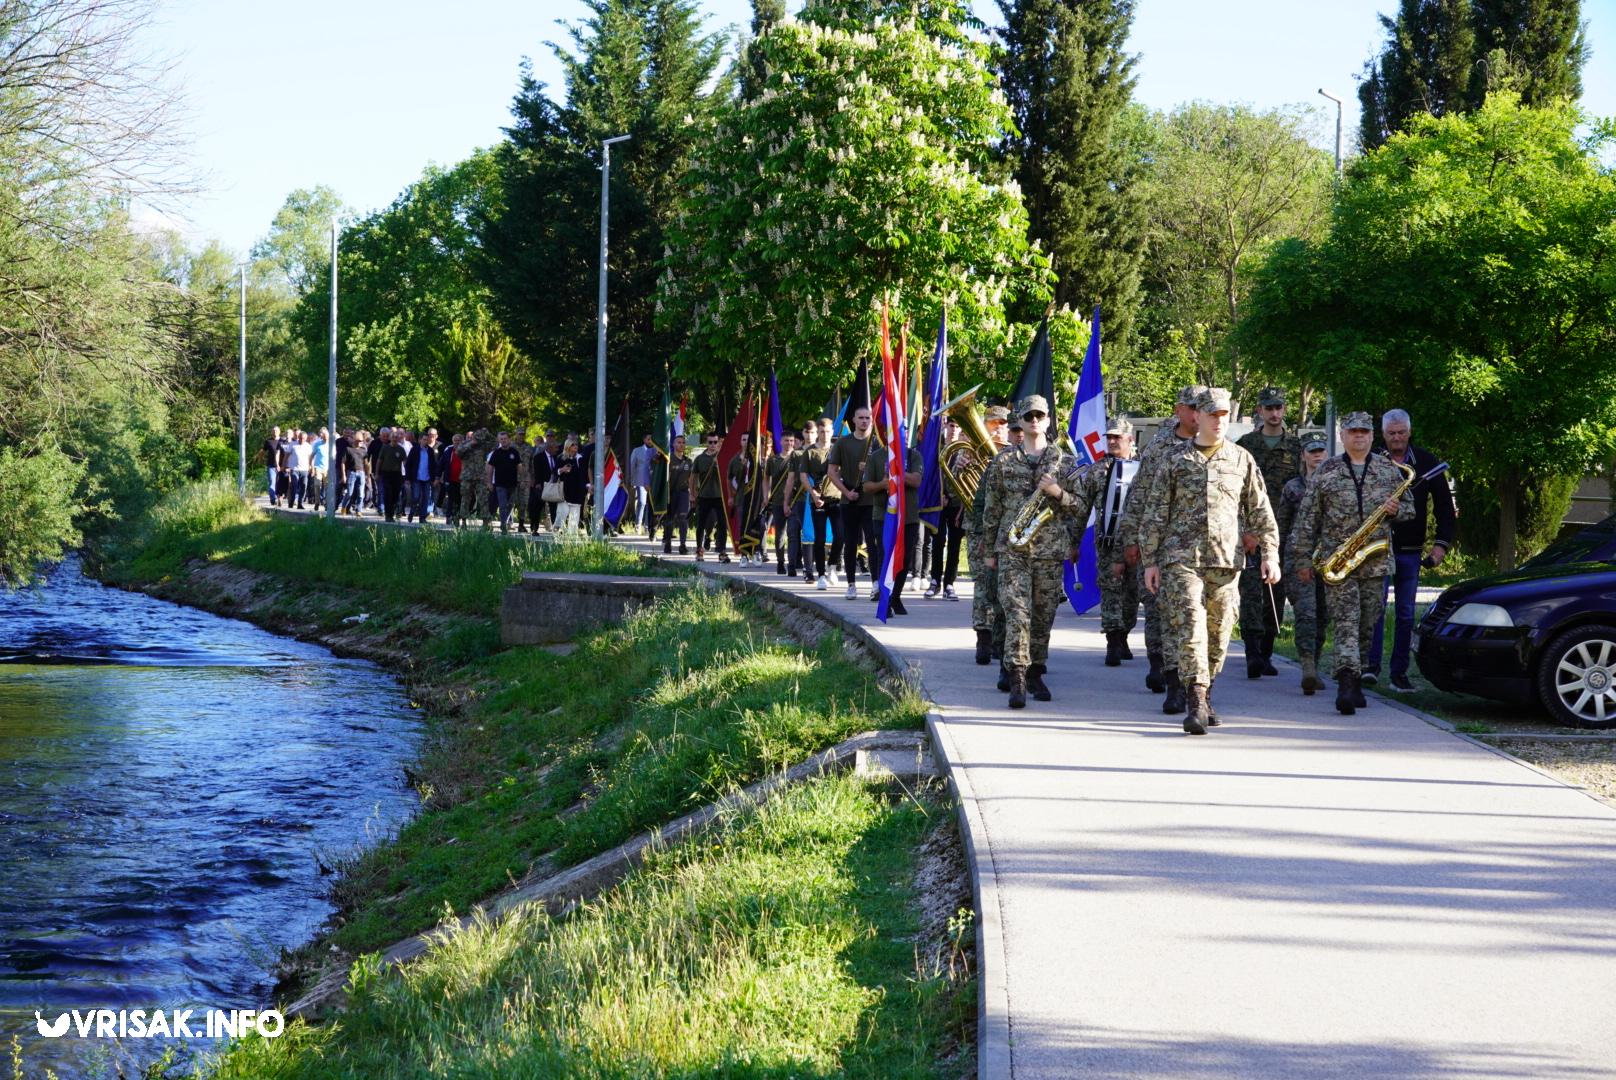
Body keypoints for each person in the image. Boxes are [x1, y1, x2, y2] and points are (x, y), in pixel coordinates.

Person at [1140, 388, 1281, 735]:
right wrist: (1150, 561)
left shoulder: (1240, 459)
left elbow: (1260, 510)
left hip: (1225, 560)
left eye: (1224, 415)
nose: (1219, 422)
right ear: (1197, 416)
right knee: (1190, 627)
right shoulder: (1174, 460)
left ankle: (1207, 691)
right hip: (1180, 559)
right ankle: (1196, 700)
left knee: (1218, 635)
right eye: (1213, 415)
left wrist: (1270, 554)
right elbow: (1155, 513)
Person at [1291, 411, 1415, 715]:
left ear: (1372, 436)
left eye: (1364, 431)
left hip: (1375, 561)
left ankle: (1356, 678)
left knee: (1367, 624)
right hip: (1339, 561)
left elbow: (1410, 510)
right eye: (1353, 431)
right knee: (1346, 622)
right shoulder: (1327, 471)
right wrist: (1302, 558)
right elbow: (1307, 519)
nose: (1359, 436)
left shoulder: (1389, 470)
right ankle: (1346, 683)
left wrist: (1396, 509)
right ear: (1343, 436)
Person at [981, 396, 1090, 708]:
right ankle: (1016, 674)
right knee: (1016, 611)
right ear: (1020, 419)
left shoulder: (1066, 462)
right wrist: (989, 549)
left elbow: (1081, 508)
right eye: (1028, 415)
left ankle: (1036, 670)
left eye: (1039, 415)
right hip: (1012, 548)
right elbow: (992, 509)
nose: (1033, 420)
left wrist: (1057, 492)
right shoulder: (1002, 462)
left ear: (1047, 420)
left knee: (1043, 615)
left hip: (1049, 550)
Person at [1115, 385, 1204, 710]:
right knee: (1160, 614)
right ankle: (1168, 676)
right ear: (1179, 409)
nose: (1198, 414)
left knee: (1196, 619)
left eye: (1202, 408)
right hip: (1163, 546)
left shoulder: (1216, 445)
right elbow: (1139, 494)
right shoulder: (1160, 446)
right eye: (1193, 407)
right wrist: (1131, 539)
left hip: (1203, 549)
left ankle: (1196, 686)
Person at [1366, 408, 1457, 691]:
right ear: (1383, 435)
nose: (1396, 438)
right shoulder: (1372, 461)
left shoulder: (1427, 462)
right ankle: (1370, 668)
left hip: (1410, 549)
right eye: (1391, 433)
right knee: (1374, 610)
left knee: (1405, 613)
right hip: (1376, 548)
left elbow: (1444, 506)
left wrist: (1441, 544)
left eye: (1401, 433)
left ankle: (1399, 673)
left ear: (1409, 432)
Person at [1234, 386, 1302, 679]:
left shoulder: (1297, 447)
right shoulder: (1245, 445)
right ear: (1259, 411)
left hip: (1284, 533)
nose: (1275, 413)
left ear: (1285, 410)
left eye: (1279, 407)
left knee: (1276, 593)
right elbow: (1235, 493)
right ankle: (1251, 653)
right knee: (1250, 593)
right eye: (1269, 408)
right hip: (1252, 534)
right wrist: (1244, 531)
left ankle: (1267, 652)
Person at [1074, 416, 1141, 666]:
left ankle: (1123, 634)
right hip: (1108, 542)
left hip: (1137, 544)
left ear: (1129, 439)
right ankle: (1112, 641)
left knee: (1132, 594)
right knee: (1111, 590)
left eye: (1117, 437)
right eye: (1109, 437)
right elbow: (1082, 508)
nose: (1112, 441)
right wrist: (1073, 542)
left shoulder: (1143, 468)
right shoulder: (1097, 470)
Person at [1277, 436, 1330, 693]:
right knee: (1306, 613)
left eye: (1321, 451)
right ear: (1304, 456)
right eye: (1313, 452)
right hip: (1299, 558)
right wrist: (1278, 558)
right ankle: (1307, 665)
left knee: (1323, 615)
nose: (1318, 456)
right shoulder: (1293, 488)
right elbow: (1282, 526)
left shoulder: (1334, 484)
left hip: (1329, 559)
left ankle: (1315, 665)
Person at [967, 404, 1012, 663]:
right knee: (984, 583)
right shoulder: (970, 455)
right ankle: (983, 639)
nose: (999, 429)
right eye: (993, 424)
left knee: (1005, 586)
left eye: (1003, 424)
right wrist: (962, 466)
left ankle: (1001, 639)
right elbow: (954, 493)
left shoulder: (1018, 455)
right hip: (978, 529)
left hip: (1009, 532)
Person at [862, 428, 923, 615]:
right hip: (883, 515)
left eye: (904, 434)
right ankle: (885, 599)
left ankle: (896, 596)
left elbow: (917, 480)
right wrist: (883, 483)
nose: (901, 438)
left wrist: (897, 474)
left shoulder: (913, 455)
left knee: (904, 559)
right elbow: (867, 486)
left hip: (909, 516)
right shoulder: (876, 457)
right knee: (885, 557)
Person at [828, 406, 881, 600]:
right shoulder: (843, 443)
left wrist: (870, 468)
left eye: (867, 418)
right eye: (861, 418)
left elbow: (887, 470)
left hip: (871, 501)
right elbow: (832, 472)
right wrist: (845, 492)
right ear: (854, 420)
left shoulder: (877, 443)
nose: (865, 421)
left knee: (873, 543)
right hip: (849, 499)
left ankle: (875, 583)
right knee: (849, 543)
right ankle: (851, 584)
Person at [925, 416, 967, 601]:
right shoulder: (936, 450)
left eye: (957, 426)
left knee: (955, 545)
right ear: (945, 427)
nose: (954, 429)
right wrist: (939, 495)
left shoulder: (965, 452)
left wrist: (954, 498)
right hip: (939, 503)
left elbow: (967, 482)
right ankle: (934, 580)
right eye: (951, 425)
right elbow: (932, 478)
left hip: (957, 504)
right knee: (938, 541)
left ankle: (949, 583)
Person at [790, 419, 834, 588]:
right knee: (808, 533)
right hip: (806, 498)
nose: (814, 435)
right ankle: (809, 571)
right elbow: (794, 478)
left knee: (830, 533)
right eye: (808, 432)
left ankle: (831, 567)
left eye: (816, 431)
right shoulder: (803, 454)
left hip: (831, 496)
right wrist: (787, 501)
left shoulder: (835, 450)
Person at [692, 431, 729, 562]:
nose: (713, 445)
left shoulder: (722, 457)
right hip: (704, 496)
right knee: (701, 524)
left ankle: (722, 551)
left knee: (722, 525)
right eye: (710, 442)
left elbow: (728, 476)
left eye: (715, 442)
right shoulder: (699, 459)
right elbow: (693, 476)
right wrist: (692, 494)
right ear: (706, 443)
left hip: (720, 496)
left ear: (718, 443)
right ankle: (699, 551)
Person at [764, 432, 796, 574]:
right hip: (778, 500)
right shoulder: (773, 460)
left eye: (791, 440)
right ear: (781, 442)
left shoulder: (798, 458)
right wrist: (766, 496)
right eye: (786, 440)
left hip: (795, 500)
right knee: (780, 533)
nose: (789, 443)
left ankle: (793, 562)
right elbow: (765, 478)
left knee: (794, 533)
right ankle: (780, 562)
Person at [487, 431, 523, 532]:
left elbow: (519, 466)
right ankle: (503, 525)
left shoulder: (514, 452)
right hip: (500, 484)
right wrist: (489, 482)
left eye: (505, 439)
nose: (503, 441)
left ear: (509, 440)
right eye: (501, 439)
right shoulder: (496, 453)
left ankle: (506, 521)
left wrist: (522, 479)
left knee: (510, 505)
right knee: (502, 505)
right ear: (499, 440)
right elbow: (490, 468)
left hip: (513, 484)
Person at [662, 434, 692, 554]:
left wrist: (693, 493)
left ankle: (682, 545)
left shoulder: (688, 461)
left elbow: (691, 479)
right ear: (673, 444)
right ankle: (668, 543)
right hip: (671, 493)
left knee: (683, 519)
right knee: (669, 520)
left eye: (683, 442)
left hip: (684, 493)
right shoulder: (668, 460)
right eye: (678, 442)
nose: (681, 444)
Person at [405, 429, 440, 524]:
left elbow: (433, 465)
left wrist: (435, 478)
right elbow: (408, 464)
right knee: (416, 497)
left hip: (427, 478)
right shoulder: (415, 449)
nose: (426, 441)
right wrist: (407, 478)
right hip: (416, 477)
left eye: (427, 439)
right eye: (424, 439)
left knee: (425, 498)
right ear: (420, 440)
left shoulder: (430, 451)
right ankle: (412, 512)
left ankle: (422, 517)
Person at [375, 429, 408, 522]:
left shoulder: (401, 449)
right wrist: (377, 473)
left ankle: (391, 513)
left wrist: (408, 475)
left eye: (396, 437)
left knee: (396, 495)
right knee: (388, 494)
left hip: (397, 474)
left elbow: (405, 462)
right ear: (390, 438)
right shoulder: (385, 448)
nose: (394, 439)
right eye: (393, 437)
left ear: (398, 439)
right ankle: (388, 514)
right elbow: (379, 461)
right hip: (386, 473)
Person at [556, 437, 587, 533]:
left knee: (575, 511)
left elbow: (584, 474)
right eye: (573, 445)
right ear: (568, 446)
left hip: (577, 489)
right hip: (564, 489)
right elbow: (554, 471)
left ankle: (572, 533)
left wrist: (586, 486)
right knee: (562, 510)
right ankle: (558, 529)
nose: (575, 447)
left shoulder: (580, 458)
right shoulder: (561, 457)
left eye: (576, 445)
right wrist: (562, 470)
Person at [630, 433, 659, 535]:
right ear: (644, 440)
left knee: (650, 504)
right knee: (642, 502)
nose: (650, 441)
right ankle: (638, 524)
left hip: (653, 481)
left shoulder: (656, 451)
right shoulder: (637, 450)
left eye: (651, 439)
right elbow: (632, 466)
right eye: (648, 439)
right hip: (640, 481)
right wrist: (632, 481)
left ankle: (647, 526)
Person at [340, 430, 368, 515]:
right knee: (349, 493)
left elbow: (366, 463)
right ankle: (344, 507)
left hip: (361, 473)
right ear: (355, 440)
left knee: (361, 494)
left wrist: (367, 475)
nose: (360, 443)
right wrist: (343, 475)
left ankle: (358, 510)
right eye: (359, 441)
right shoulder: (348, 449)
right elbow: (343, 463)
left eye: (362, 441)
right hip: (351, 472)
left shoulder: (363, 450)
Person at [261, 426, 283, 505]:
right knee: (272, 482)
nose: (275, 432)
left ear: (279, 432)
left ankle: (279, 497)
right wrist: (261, 459)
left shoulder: (282, 440)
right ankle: (273, 499)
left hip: (282, 466)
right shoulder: (268, 441)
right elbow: (263, 451)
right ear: (271, 432)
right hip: (271, 465)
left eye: (276, 431)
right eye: (273, 430)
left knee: (280, 483)